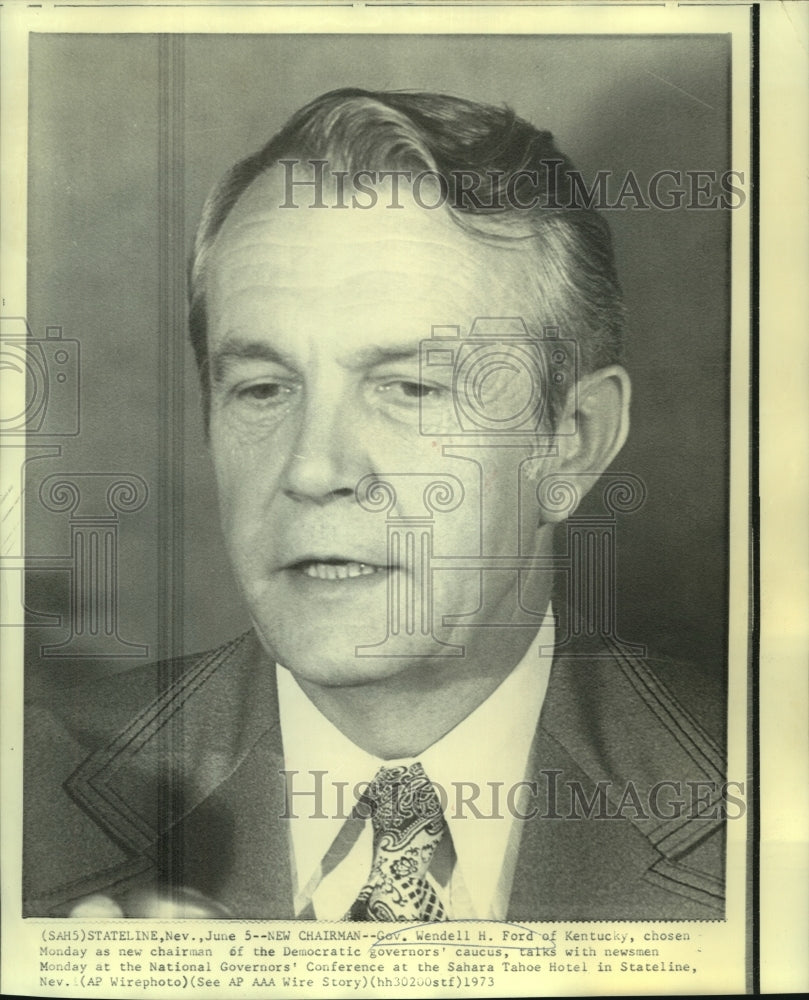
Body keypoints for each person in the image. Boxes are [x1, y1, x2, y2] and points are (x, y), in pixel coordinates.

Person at [24, 88, 726, 921]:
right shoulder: (30, 799)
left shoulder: (760, 800)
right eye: (262, 388)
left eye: (410, 388)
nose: (313, 467)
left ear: (571, 440)